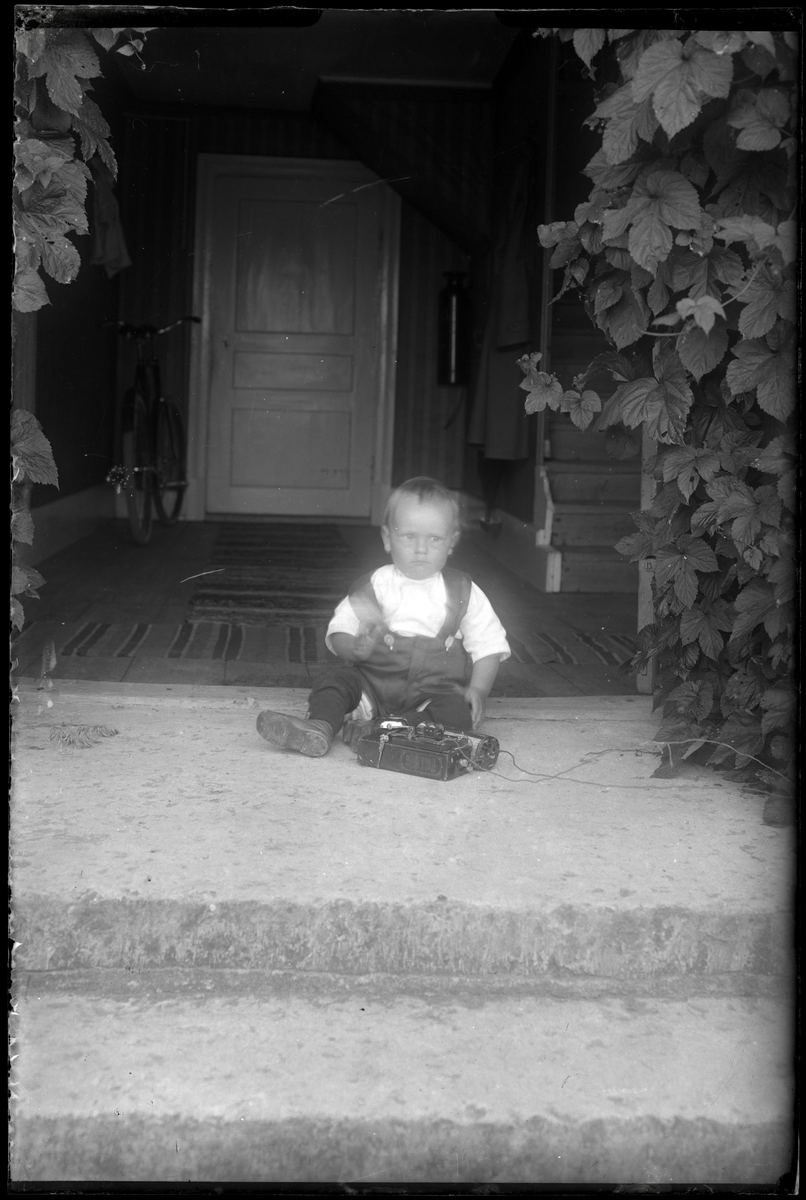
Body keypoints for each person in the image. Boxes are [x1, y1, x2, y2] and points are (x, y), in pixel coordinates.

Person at [256, 477, 510, 757]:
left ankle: (389, 730)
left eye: (434, 539)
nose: (421, 548)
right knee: (336, 681)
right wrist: (353, 647)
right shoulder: (375, 585)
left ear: (452, 542)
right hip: (370, 688)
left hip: (432, 695)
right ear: (388, 539)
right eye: (409, 537)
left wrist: (479, 690)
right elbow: (340, 628)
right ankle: (320, 725)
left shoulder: (463, 591)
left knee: (457, 713)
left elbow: (488, 645)